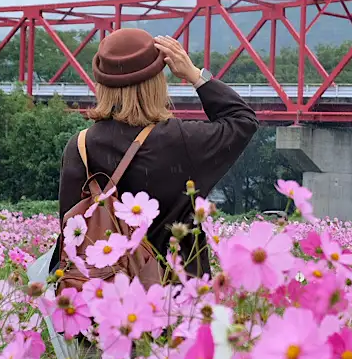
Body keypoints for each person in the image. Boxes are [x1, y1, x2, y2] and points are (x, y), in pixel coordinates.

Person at [49, 28, 258, 279]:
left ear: (101, 84)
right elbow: (242, 121)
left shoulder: (80, 146)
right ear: (158, 82)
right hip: (177, 299)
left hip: (104, 299)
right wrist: (195, 75)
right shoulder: (183, 141)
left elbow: (70, 228)